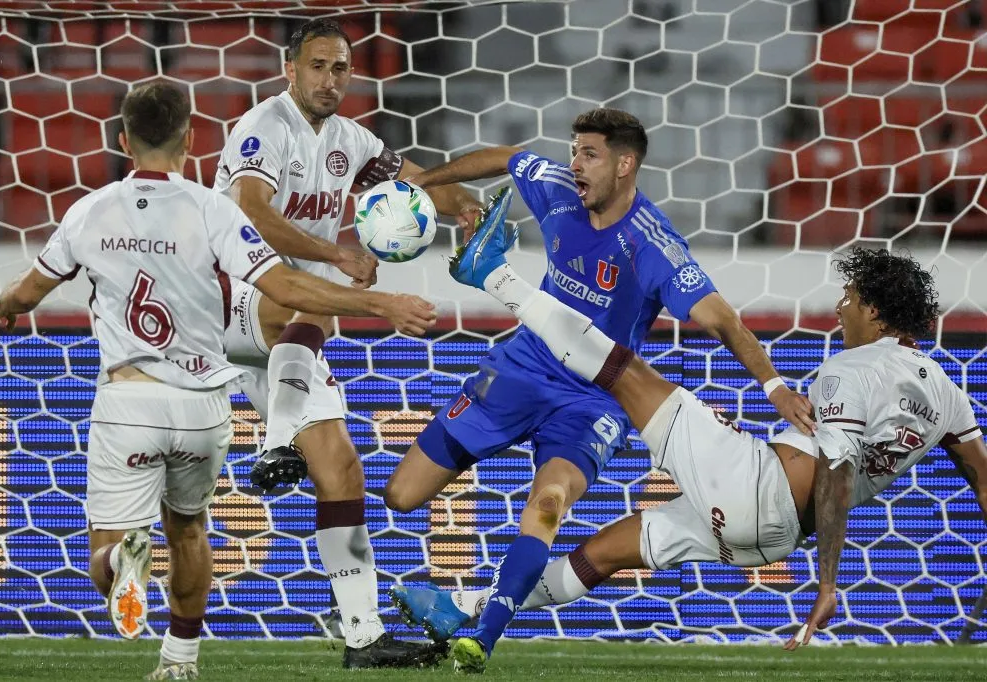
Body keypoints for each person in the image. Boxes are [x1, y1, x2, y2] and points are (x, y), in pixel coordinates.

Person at [0, 81, 440, 680]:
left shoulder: (89, 211)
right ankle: (180, 659)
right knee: (191, 531)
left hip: (129, 401)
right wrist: (379, 303)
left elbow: (31, 289)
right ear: (191, 140)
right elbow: (287, 288)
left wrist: (1, 307)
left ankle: (126, 557)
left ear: (121, 140)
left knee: (105, 554)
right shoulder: (211, 207)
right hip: (204, 407)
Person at [435, 215, 987, 672]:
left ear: (874, 312)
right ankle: (465, 611)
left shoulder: (852, 368)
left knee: (623, 371)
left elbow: (836, 467)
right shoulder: (948, 395)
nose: (840, 309)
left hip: (756, 488)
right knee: (600, 555)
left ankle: (495, 276)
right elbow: (983, 480)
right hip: (774, 540)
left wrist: (827, 584)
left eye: (849, 297)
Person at [385, 108, 815, 658]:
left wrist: (775, 386)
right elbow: (504, 158)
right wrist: (425, 181)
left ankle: (481, 636)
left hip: (592, 400)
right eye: (574, 151)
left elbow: (721, 319)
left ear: (625, 164)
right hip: (522, 368)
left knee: (548, 501)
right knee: (401, 495)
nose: (575, 164)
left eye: (589, 154)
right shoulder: (561, 190)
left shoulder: (651, 244)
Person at [211, 18, 481, 666]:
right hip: (228, 302)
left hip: (295, 327)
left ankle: (362, 636)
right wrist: (335, 251)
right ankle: (274, 441)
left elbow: (416, 186)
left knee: (340, 469)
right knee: (303, 298)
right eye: (318, 66)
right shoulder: (262, 129)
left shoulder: (351, 141)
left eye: (340, 69)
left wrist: (466, 206)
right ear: (290, 69)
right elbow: (252, 213)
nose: (330, 80)